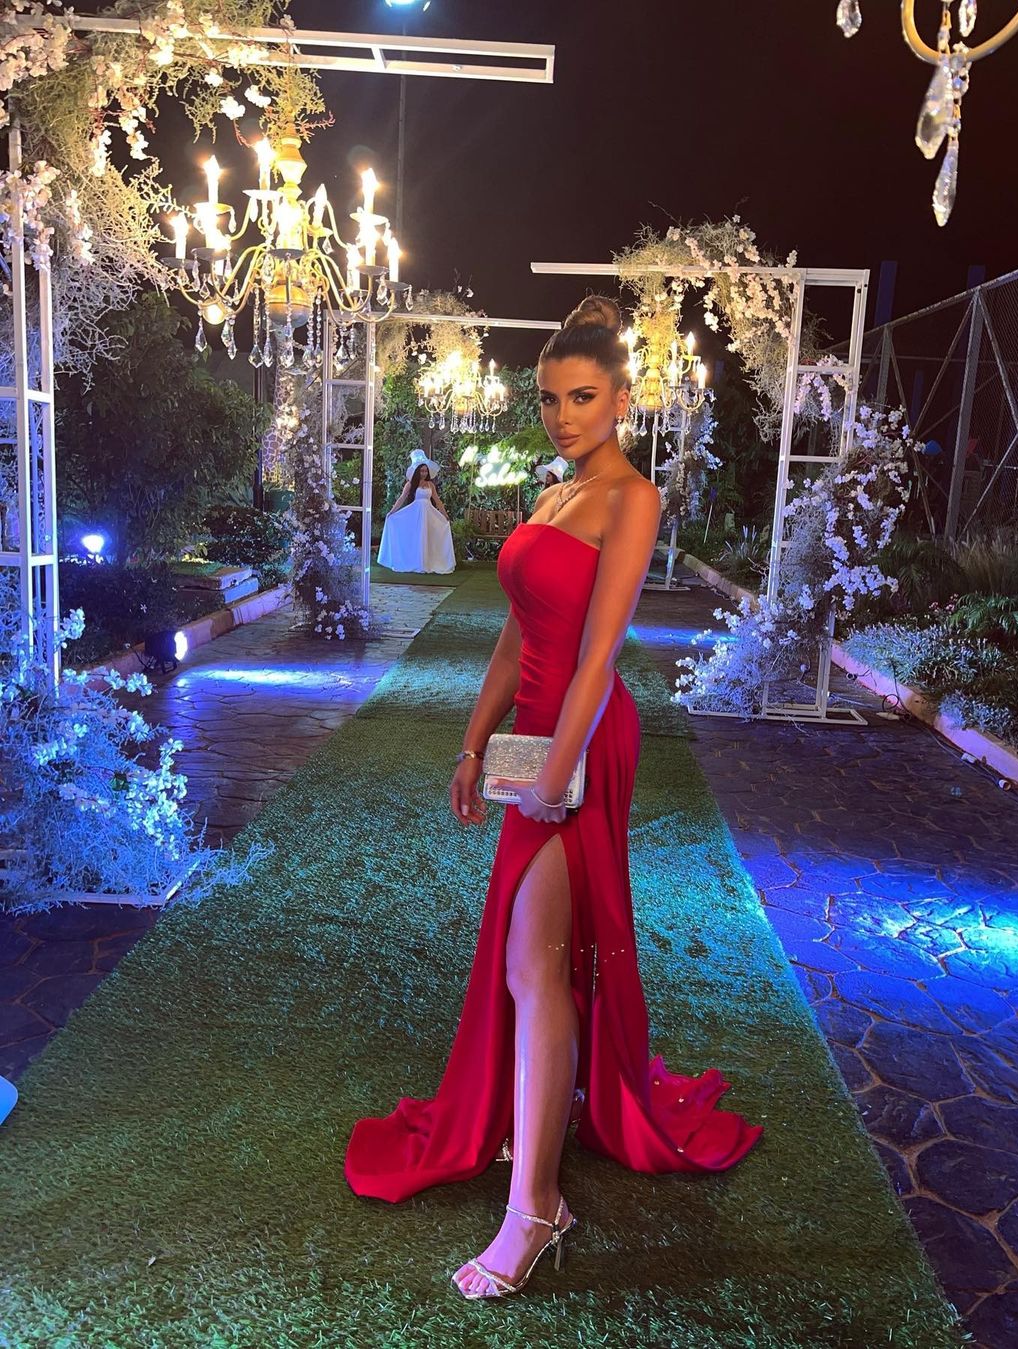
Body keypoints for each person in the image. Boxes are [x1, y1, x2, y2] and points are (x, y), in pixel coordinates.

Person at [345, 296, 761, 1299]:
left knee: (534, 964)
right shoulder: (549, 497)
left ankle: (535, 1207)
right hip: (530, 743)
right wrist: (474, 743)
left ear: (620, 399)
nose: (563, 416)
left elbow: (598, 657)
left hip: (582, 746)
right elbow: (513, 639)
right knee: (531, 962)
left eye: (582, 398)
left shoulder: (632, 499)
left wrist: (551, 776)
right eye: (548, 399)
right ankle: (533, 1162)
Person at [376, 450, 456, 574]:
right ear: (417, 471)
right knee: (416, 536)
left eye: (425, 471)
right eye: (421, 471)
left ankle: (429, 561)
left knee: (428, 535)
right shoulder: (410, 484)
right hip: (415, 512)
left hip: (429, 512)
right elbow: (401, 498)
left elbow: (437, 500)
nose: (424, 473)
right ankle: (416, 561)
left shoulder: (430, 485)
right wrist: (392, 512)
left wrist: (445, 515)